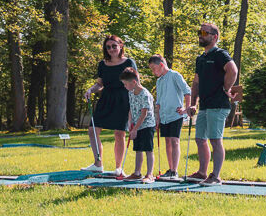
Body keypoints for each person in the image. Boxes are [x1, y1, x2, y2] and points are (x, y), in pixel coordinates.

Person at [186, 23, 238, 186]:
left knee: (215, 140)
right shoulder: (200, 58)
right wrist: (193, 103)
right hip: (205, 105)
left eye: (204, 32)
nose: (200, 35)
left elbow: (233, 70)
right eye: (199, 32)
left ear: (214, 37)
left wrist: (226, 88)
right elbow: (196, 83)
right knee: (200, 139)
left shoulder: (220, 54)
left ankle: (216, 176)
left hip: (218, 104)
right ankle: (202, 173)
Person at [81, 35, 137, 178]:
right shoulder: (102, 64)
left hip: (123, 99)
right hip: (106, 99)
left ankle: (118, 168)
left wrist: (137, 103)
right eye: (108, 47)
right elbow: (100, 84)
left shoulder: (129, 62)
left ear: (120, 46)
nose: (111, 49)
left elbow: (136, 83)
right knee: (93, 129)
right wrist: (90, 90)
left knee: (119, 134)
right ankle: (98, 164)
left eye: (114, 46)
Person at [148, 55, 191, 181]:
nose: (153, 71)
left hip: (176, 114)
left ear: (161, 65)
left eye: (154, 68)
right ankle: (170, 169)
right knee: (167, 141)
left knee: (174, 140)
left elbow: (187, 91)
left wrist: (186, 109)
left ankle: (174, 171)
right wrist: (157, 117)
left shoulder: (175, 75)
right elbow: (159, 102)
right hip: (164, 116)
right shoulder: (159, 81)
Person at [121, 67, 156, 183]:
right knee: (138, 149)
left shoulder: (145, 94)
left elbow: (144, 114)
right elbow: (131, 108)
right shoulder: (130, 93)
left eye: (126, 84)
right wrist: (130, 122)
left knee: (148, 149)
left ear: (134, 82)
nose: (125, 86)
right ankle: (137, 173)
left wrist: (135, 129)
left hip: (147, 125)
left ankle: (150, 174)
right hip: (136, 125)